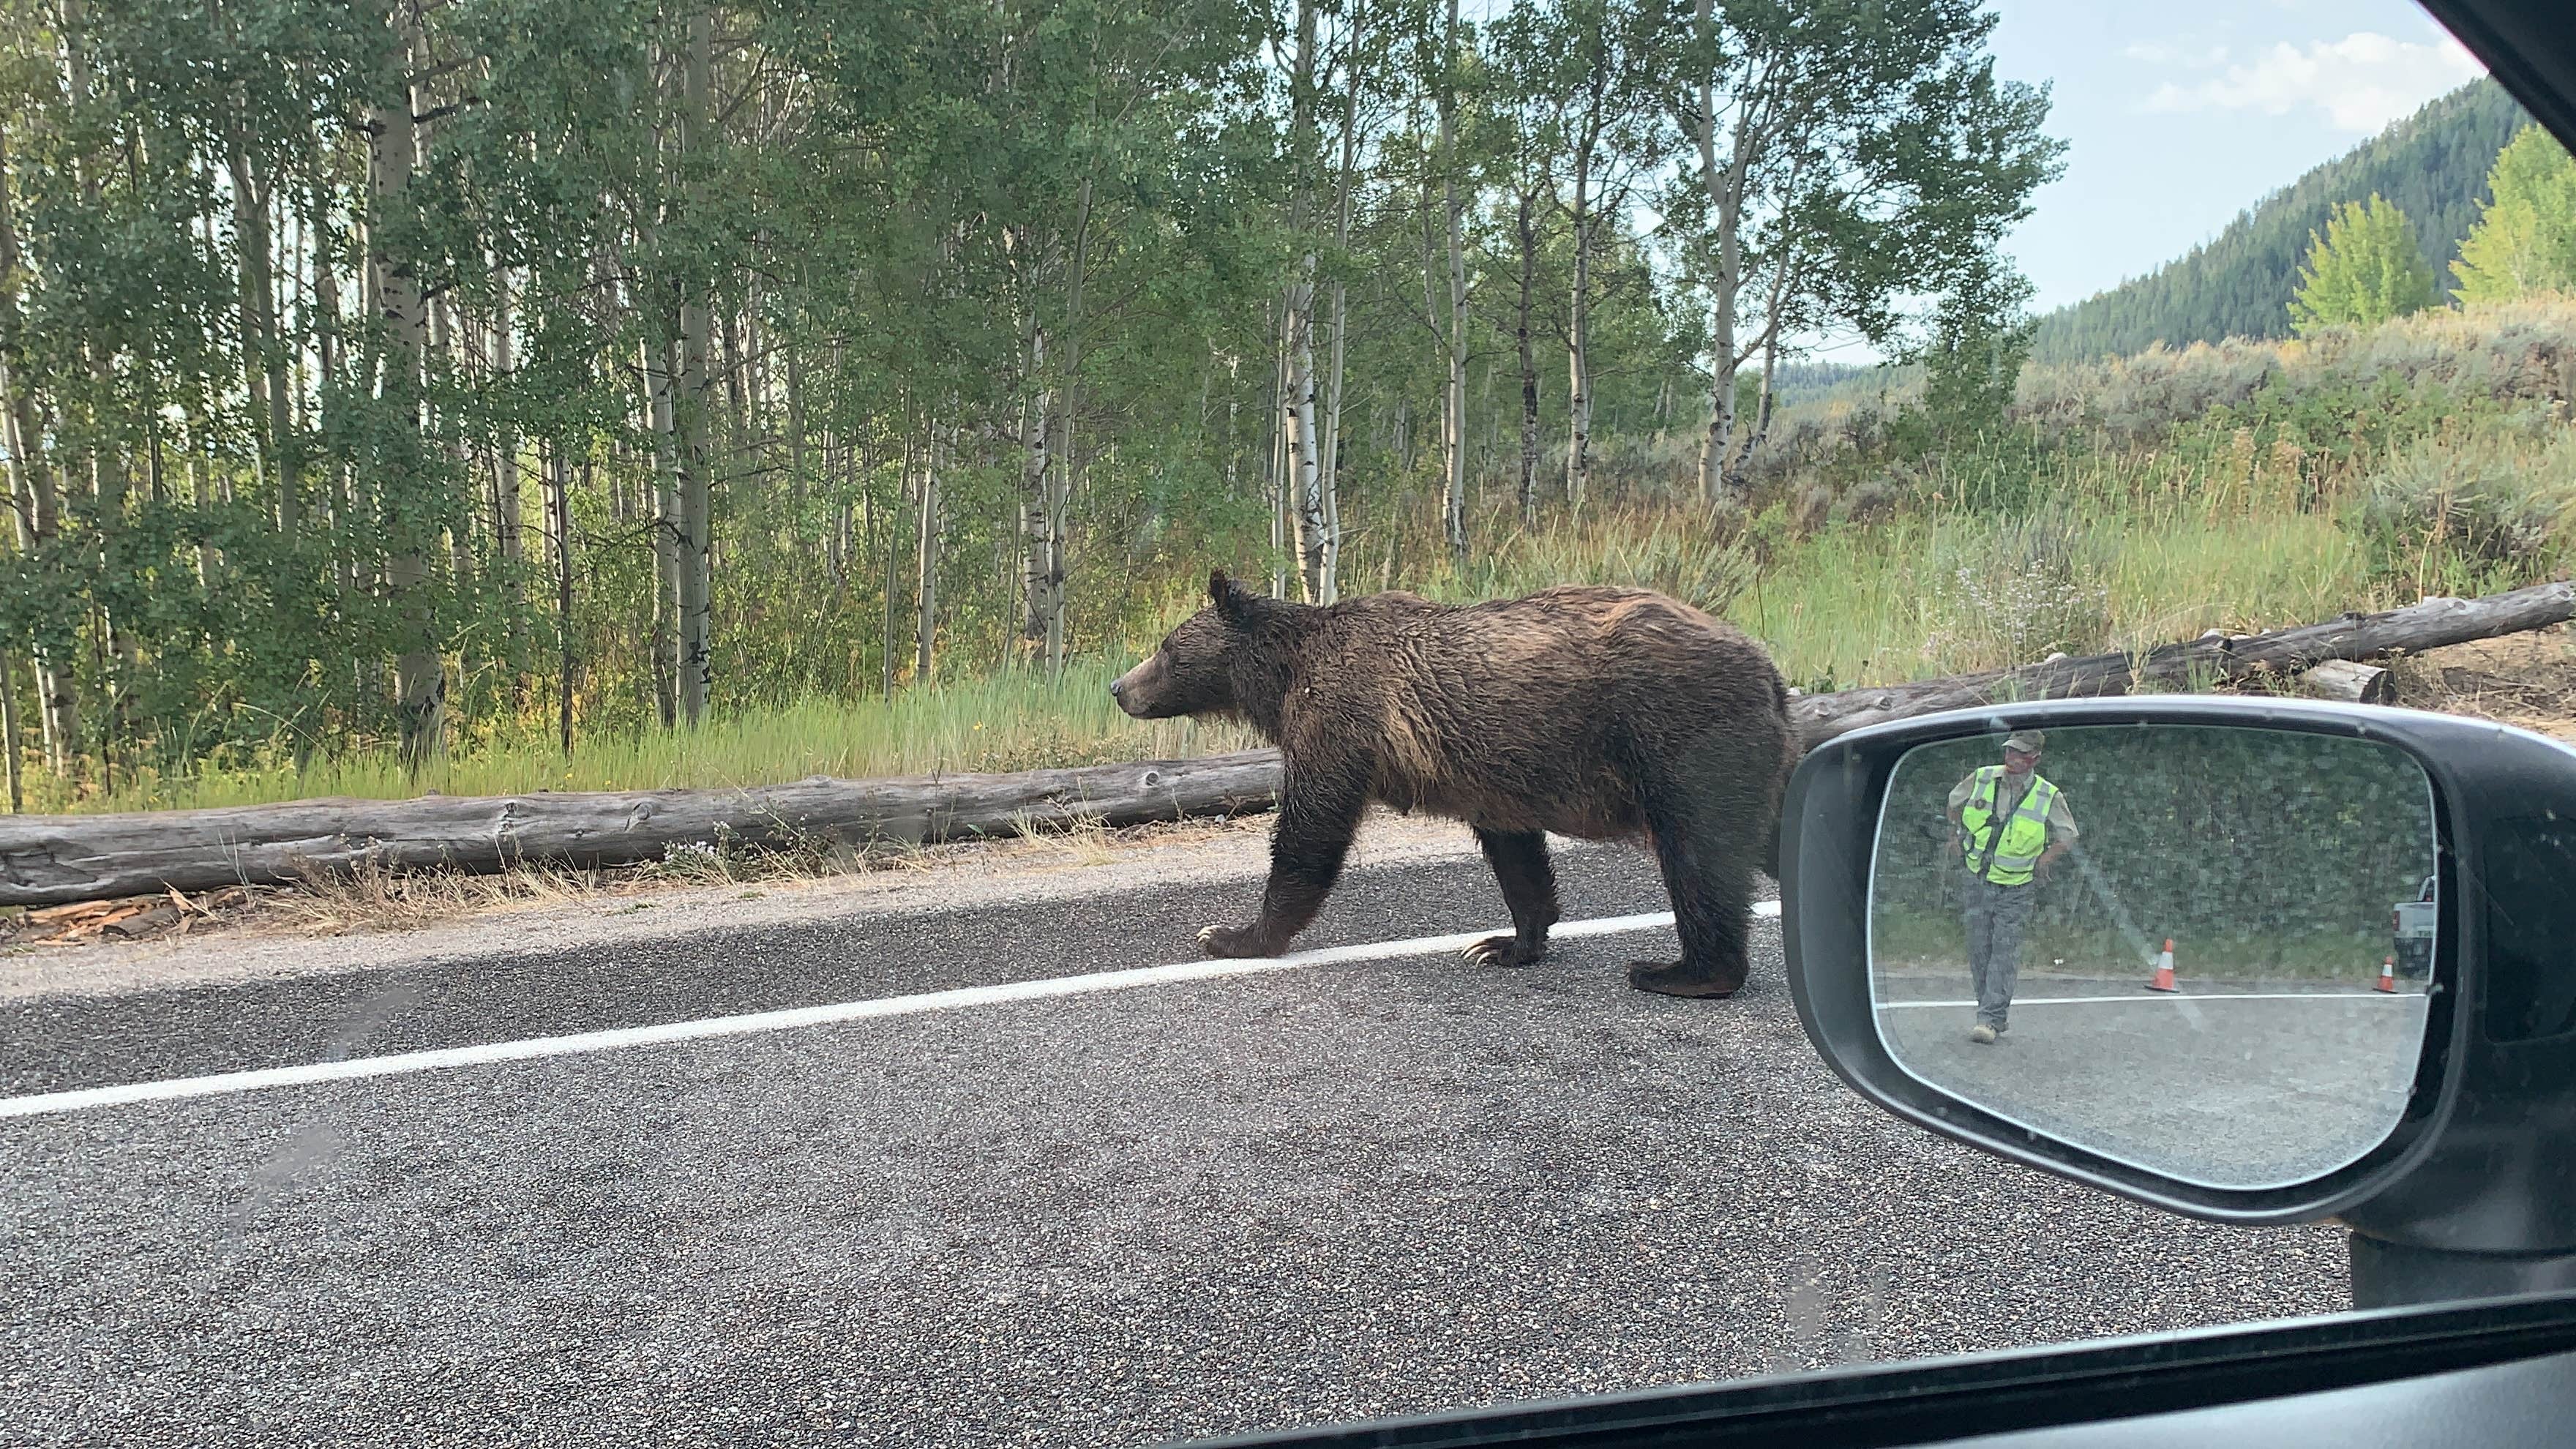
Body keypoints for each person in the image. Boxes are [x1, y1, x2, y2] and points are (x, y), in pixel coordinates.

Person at [1947, 731, 2078, 1045]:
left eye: (2020, 754)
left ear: (2035, 758)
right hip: (1977, 877)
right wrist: (1954, 836)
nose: (2012, 759)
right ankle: (1992, 1012)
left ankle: (1989, 1019)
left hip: (2018, 886)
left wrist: (2044, 861)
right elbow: (1954, 803)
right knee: (1980, 949)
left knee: (2004, 952)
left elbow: (2069, 835)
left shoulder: (2048, 794)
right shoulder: (1982, 778)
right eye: (2009, 752)